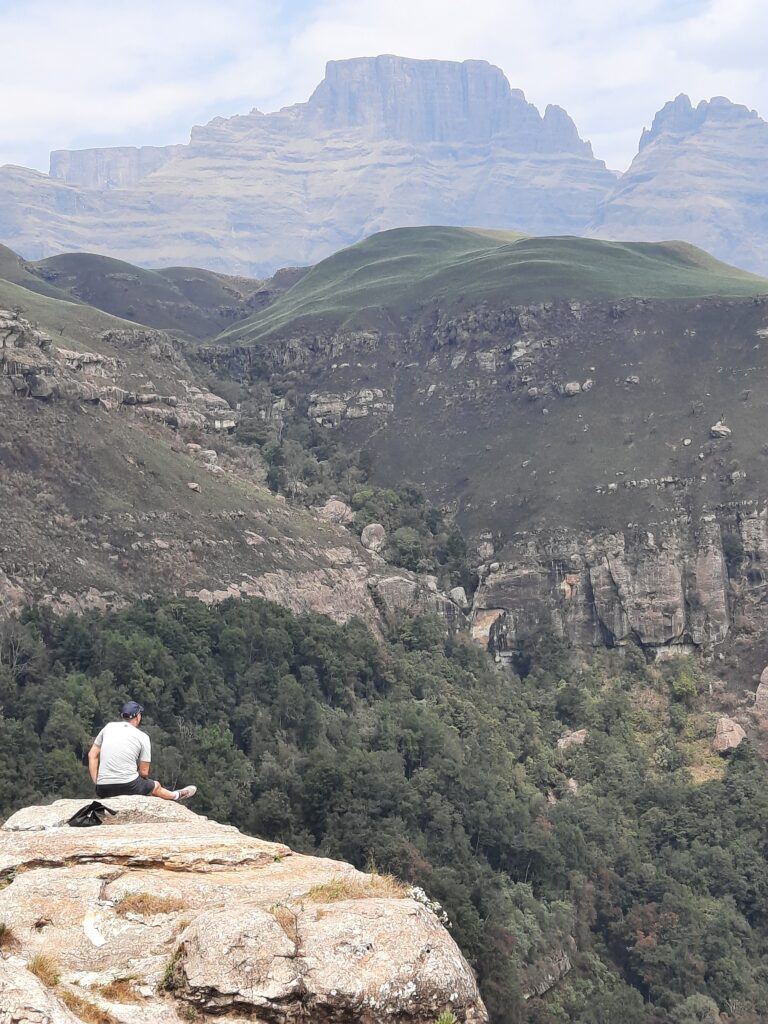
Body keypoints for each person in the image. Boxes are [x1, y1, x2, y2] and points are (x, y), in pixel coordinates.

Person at [88, 701, 196, 801]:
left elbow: (92, 754)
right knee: (155, 786)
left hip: (102, 789)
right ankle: (176, 795)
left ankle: (175, 794)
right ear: (138, 716)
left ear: (122, 716)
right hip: (127, 786)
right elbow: (144, 772)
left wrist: (97, 782)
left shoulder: (108, 727)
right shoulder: (142, 737)